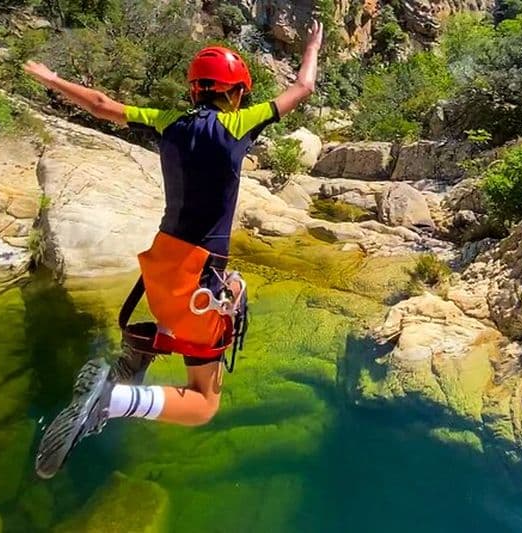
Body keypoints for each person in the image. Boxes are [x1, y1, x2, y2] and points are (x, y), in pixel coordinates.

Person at [26, 21, 323, 480]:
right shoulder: (237, 123)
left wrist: (50, 78)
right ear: (237, 93)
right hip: (197, 278)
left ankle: (133, 359)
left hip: (160, 270)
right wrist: (311, 46)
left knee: (198, 314)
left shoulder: (169, 121)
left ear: (193, 91)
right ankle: (112, 400)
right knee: (204, 402)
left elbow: (103, 106)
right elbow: (303, 86)